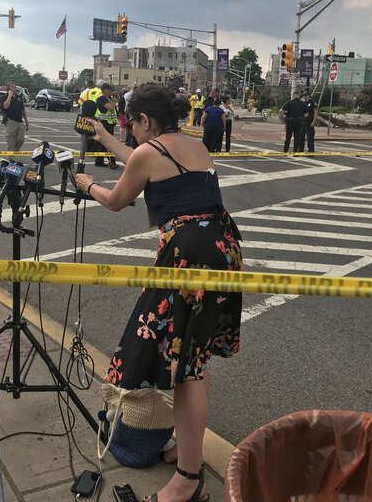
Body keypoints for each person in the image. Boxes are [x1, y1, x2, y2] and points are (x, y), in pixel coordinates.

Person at [74, 84, 242, 502]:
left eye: (130, 124)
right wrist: (104, 136)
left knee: (189, 373)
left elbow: (116, 199)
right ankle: (187, 456)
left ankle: (189, 480)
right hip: (221, 246)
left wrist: (88, 185)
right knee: (192, 362)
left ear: (146, 121)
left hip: (188, 256)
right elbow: (142, 161)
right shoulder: (191, 145)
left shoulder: (151, 152)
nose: (129, 132)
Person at [94, 83, 119, 168]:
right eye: (110, 90)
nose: (112, 92)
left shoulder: (108, 98)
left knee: (103, 143)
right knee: (109, 143)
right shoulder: (102, 99)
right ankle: (112, 163)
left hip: (108, 124)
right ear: (105, 90)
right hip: (104, 124)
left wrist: (115, 99)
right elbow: (110, 107)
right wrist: (114, 101)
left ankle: (99, 161)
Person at [3, 81, 29, 151]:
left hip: (20, 121)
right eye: (12, 87)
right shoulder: (5, 96)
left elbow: (22, 110)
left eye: (15, 87)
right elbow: (6, 106)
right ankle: (11, 158)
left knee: (21, 140)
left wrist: (26, 120)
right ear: (9, 88)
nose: (14, 89)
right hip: (10, 121)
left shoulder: (19, 97)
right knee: (11, 140)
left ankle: (13, 151)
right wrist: (9, 96)